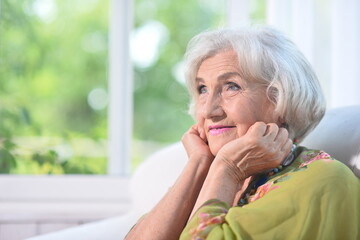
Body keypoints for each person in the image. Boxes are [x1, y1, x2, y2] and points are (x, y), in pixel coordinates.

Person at [125, 26, 360, 240]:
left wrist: (228, 168)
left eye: (231, 86)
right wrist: (198, 164)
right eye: (203, 89)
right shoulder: (214, 179)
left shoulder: (322, 180)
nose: (207, 110)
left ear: (282, 100)